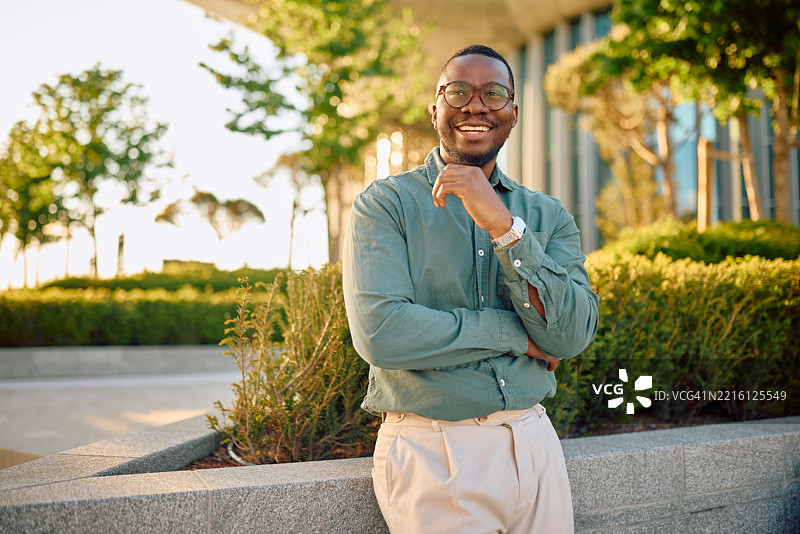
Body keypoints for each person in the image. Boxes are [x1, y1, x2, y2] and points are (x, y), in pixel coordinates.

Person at [342, 44, 599, 534]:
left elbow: (569, 337)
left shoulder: (547, 216)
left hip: (536, 441)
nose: (476, 105)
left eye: (493, 93)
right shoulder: (385, 205)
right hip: (433, 451)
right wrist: (513, 334)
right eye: (458, 91)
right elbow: (382, 334)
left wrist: (505, 227)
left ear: (513, 114)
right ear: (435, 108)